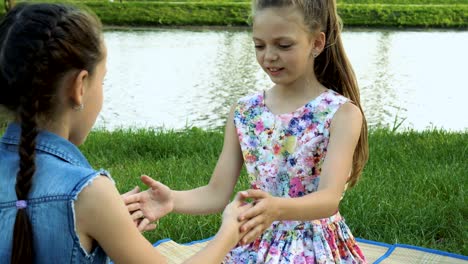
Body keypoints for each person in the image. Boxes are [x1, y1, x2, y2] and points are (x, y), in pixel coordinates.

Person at [0, 3, 251, 264]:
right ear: (80, 87)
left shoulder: (92, 200)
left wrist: (109, 219)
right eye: (102, 81)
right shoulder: (91, 194)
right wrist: (228, 233)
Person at [125, 0, 369, 263]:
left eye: (284, 45)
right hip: (254, 239)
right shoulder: (245, 111)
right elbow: (216, 193)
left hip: (313, 245)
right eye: (259, 45)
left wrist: (277, 208)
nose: (269, 56)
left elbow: (328, 199)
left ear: (317, 43)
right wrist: (171, 199)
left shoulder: (340, 113)